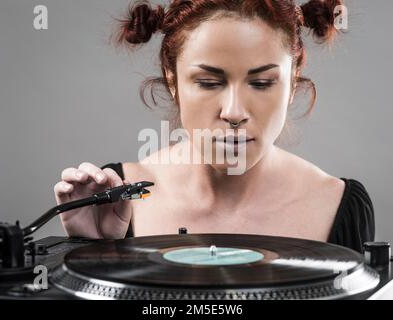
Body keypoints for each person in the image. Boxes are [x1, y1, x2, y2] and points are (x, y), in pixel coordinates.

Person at [54, 0, 374, 253]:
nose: (233, 112)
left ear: (292, 85)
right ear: (173, 80)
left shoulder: (338, 205)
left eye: (262, 83)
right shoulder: (114, 197)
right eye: (208, 82)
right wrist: (89, 255)